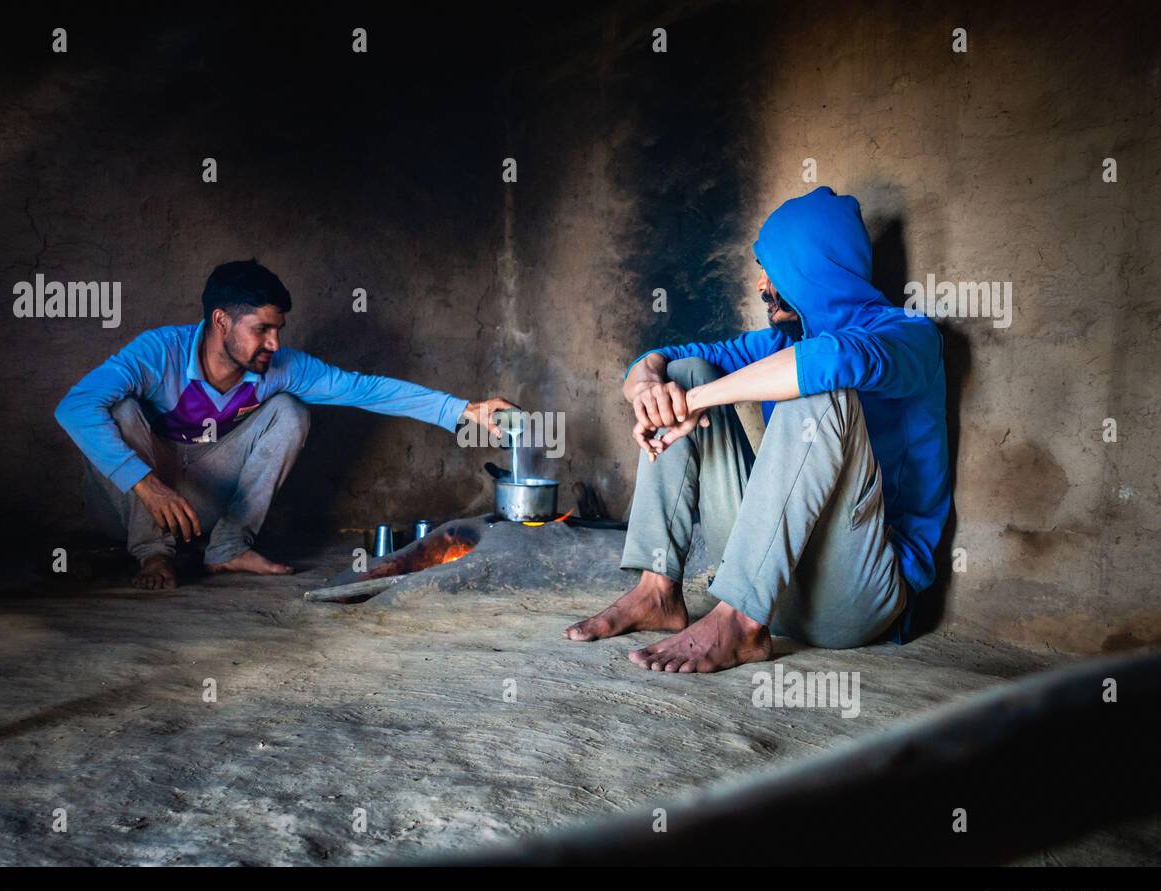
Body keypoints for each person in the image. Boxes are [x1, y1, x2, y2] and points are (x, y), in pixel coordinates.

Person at [565, 187, 952, 673]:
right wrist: (646, 384)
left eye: (772, 269)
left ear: (811, 270)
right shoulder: (780, 340)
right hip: (776, 577)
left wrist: (695, 403)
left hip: (855, 593)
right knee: (685, 371)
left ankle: (740, 624)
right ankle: (657, 593)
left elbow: (829, 362)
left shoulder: (910, 337)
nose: (761, 285)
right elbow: (663, 359)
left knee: (815, 387)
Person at [56, 259, 513, 589]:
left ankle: (228, 548)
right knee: (119, 410)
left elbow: (363, 388)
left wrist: (461, 410)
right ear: (221, 321)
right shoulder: (158, 352)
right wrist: (146, 485)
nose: (274, 343)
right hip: (133, 497)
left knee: (291, 409)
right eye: (262, 329)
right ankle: (153, 554)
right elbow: (74, 407)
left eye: (279, 330)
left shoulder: (279, 366)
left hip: (204, 500)